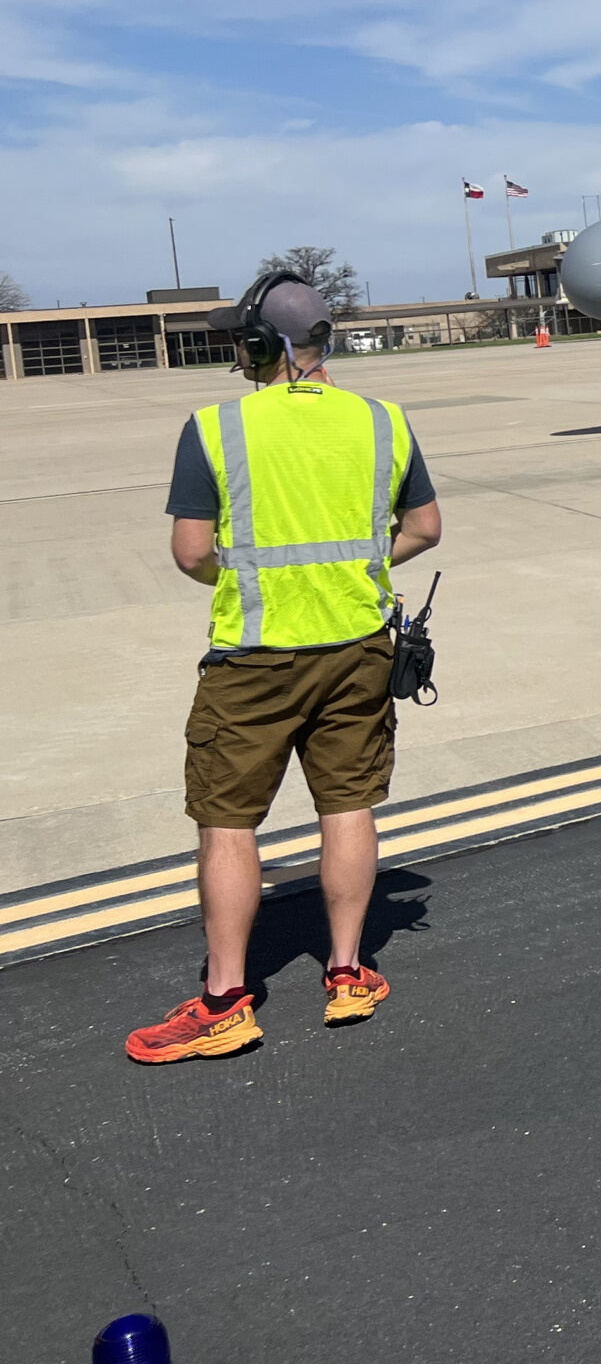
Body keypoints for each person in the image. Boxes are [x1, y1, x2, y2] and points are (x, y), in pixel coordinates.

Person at [124, 272, 441, 1064]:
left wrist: (247, 582)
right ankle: (346, 974)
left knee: (228, 823)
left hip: (254, 657)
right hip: (358, 647)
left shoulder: (215, 426)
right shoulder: (383, 423)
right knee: (348, 806)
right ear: (325, 341)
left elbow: (192, 552)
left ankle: (227, 1001)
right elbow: (425, 529)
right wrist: (360, 567)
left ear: (259, 347)